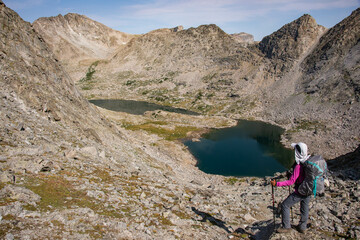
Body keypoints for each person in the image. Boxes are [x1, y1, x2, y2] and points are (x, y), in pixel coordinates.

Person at [271, 142, 311, 234]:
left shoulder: (298, 166)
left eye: (295, 150)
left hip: (300, 191)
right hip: (309, 189)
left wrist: (277, 183)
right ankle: (302, 227)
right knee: (304, 208)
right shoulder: (308, 162)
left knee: (285, 205)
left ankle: (286, 227)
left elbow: (291, 182)